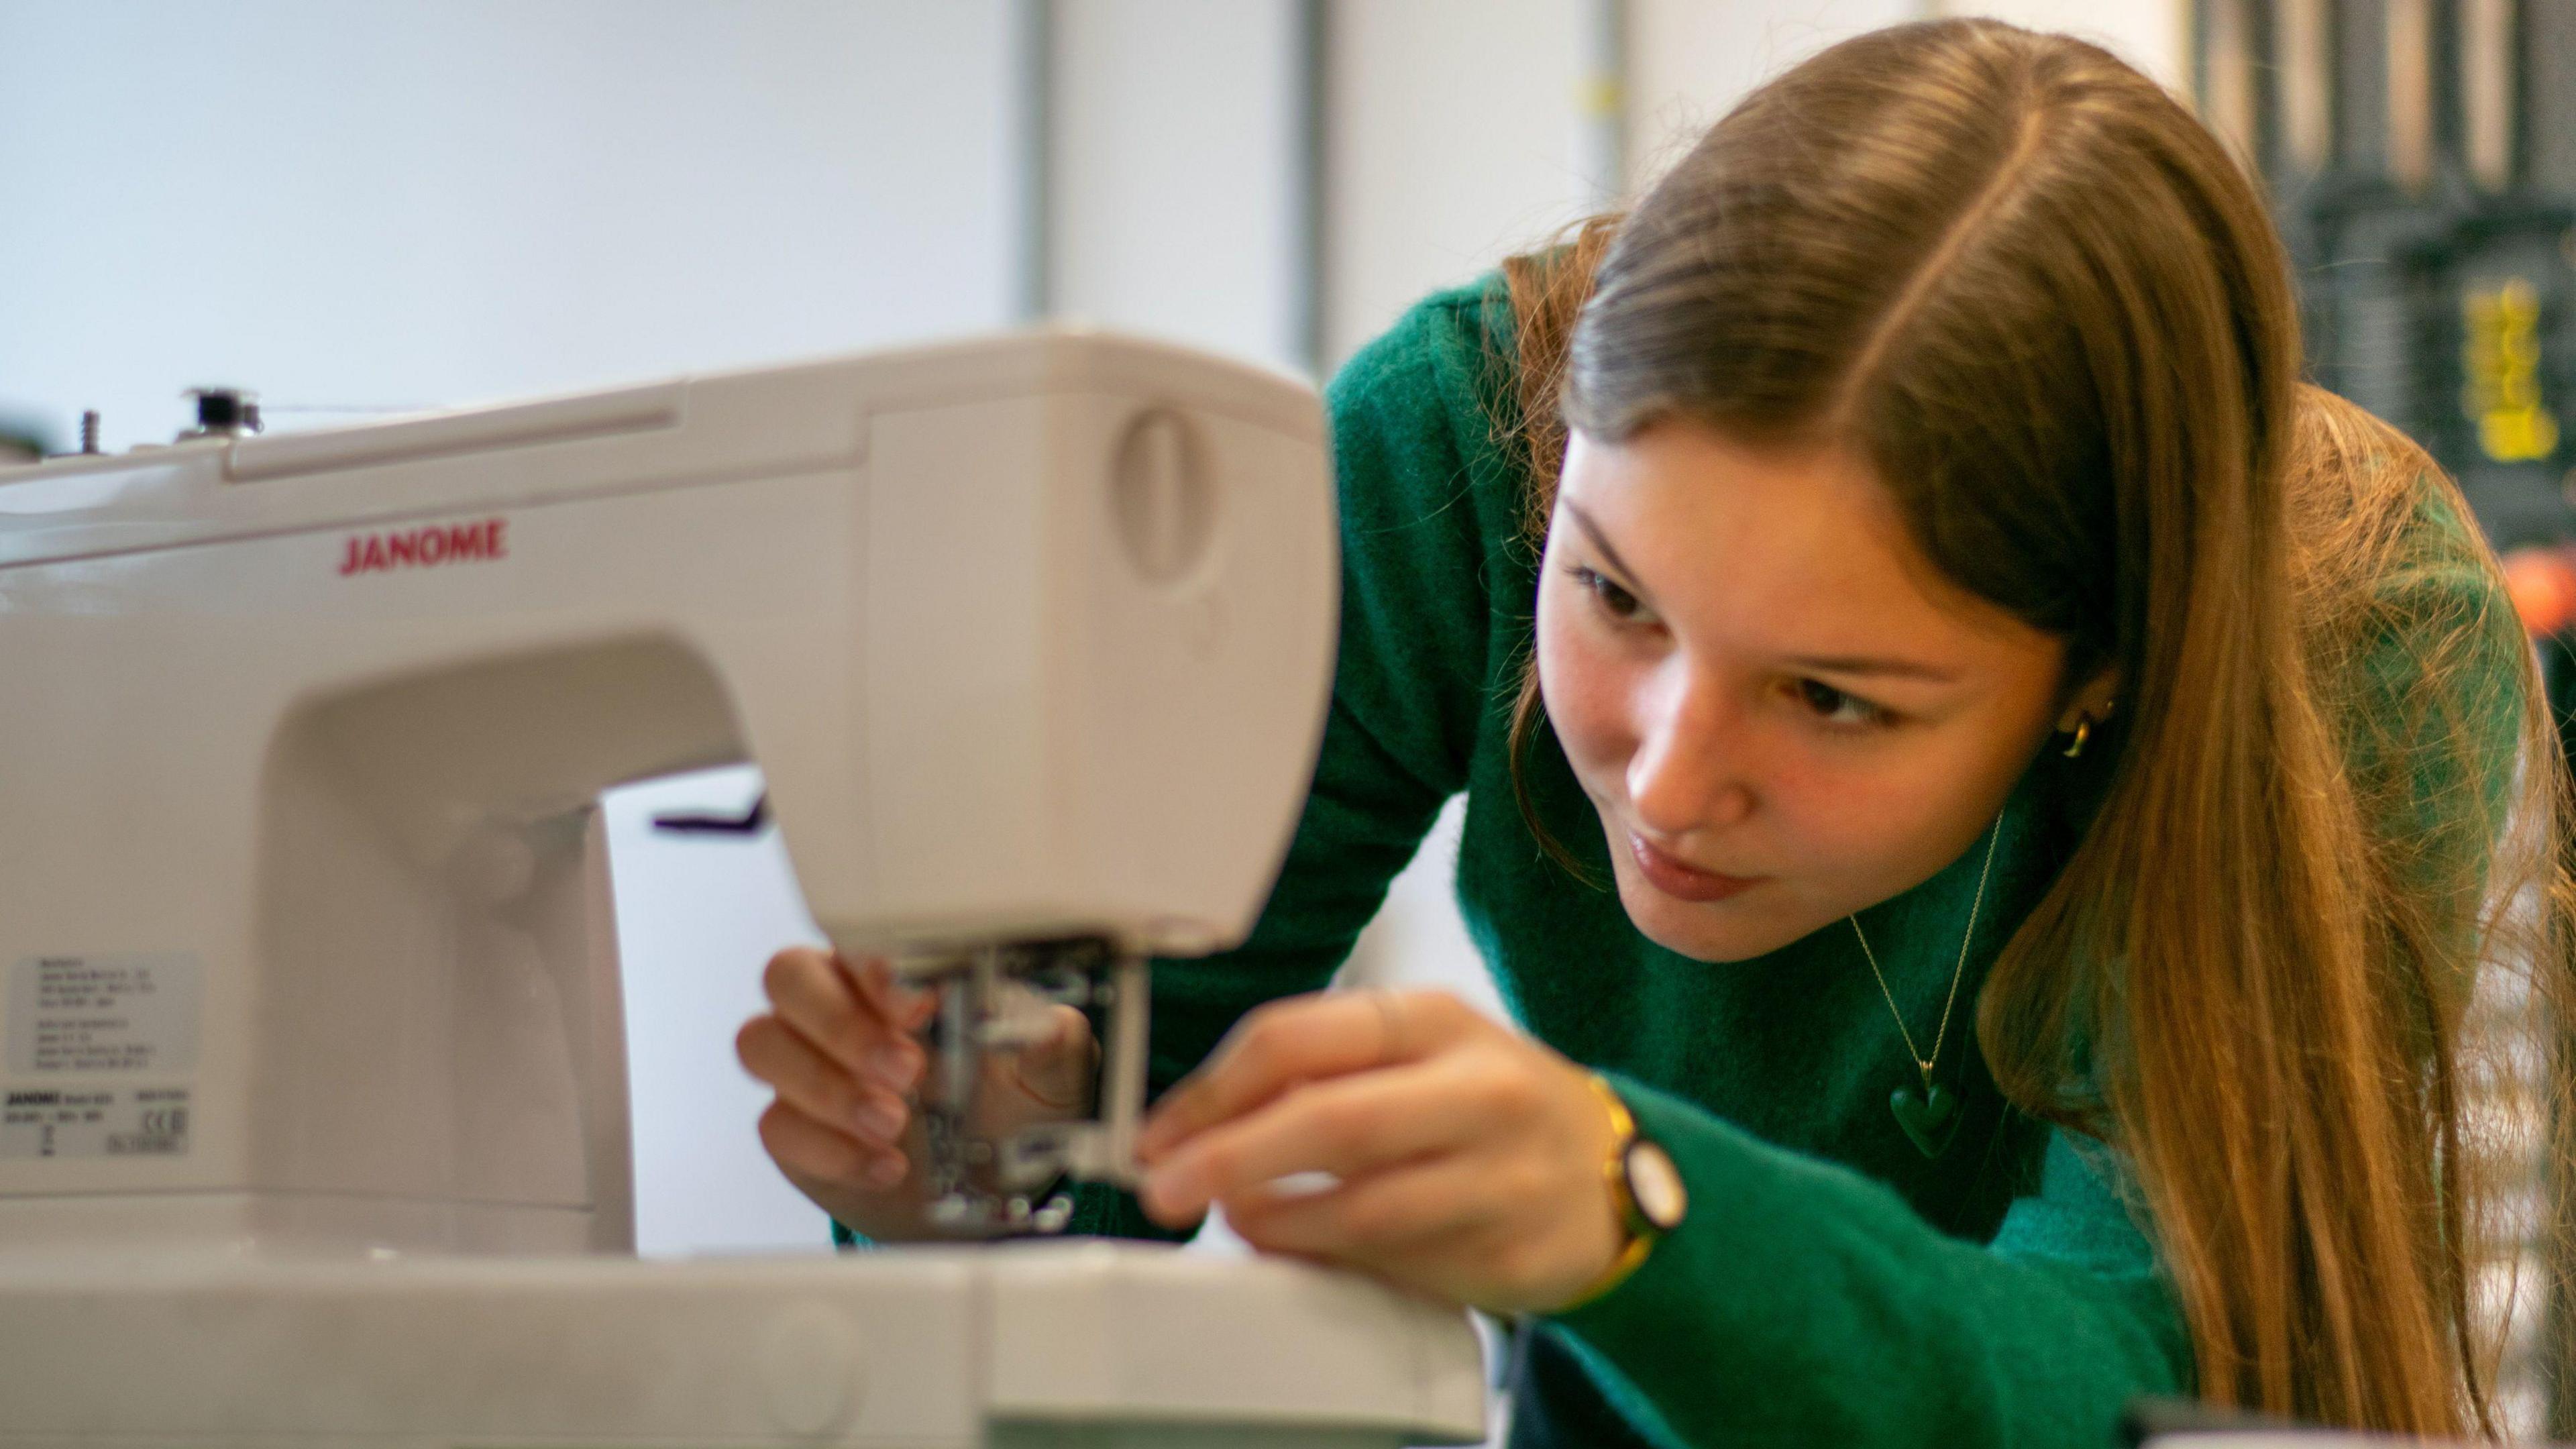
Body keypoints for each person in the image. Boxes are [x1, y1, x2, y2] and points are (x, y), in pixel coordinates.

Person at [735, 18, 2574, 1445]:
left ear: (2098, 672)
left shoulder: (2346, 642)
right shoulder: (1458, 453)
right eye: (1615, 599)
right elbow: (1097, 1158)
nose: (1673, 783)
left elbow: (2133, 1378)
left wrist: (1635, 1202)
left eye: (1835, 698)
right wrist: (948, 1182)